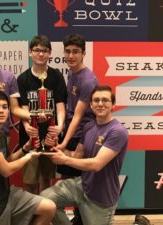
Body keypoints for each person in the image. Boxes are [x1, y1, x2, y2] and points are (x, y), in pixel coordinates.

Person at [40, 85, 128, 225]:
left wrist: (65, 160)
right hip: (82, 186)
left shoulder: (117, 131)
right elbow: (77, 156)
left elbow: (96, 164)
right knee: (45, 200)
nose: (100, 103)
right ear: (91, 105)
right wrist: (57, 150)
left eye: (105, 100)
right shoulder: (88, 127)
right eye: (96, 100)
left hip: (101, 198)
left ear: (113, 105)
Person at [0, 90, 56, 225]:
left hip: (6, 195)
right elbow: (6, 170)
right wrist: (29, 157)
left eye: (5, 107)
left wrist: (25, 149)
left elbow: (7, 160)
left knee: (49, 208)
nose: (1, 111)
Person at [17, 35, 67, 194]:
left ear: (50, 53)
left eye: (44, 51)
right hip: (30, 136)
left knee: (47, 178)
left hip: (50, 135)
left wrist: (59, 126)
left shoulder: (56, 76)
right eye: (37, 50)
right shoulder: (23, 78)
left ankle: (45, 215)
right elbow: (23, 108)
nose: (40, 54)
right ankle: (32, 214)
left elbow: (60, 106)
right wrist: (27, 126)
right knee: (30, 180)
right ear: (30, 52)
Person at [56, 34, 99, 178]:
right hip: (71, 130)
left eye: (75, 51)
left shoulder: (88, 80)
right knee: (65, 178)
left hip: (83, 133)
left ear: (83, 54)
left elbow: (78, 115)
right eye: (67, 51)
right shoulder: (71, 72)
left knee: (77, 182)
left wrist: (65, 142)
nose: (71, 55)